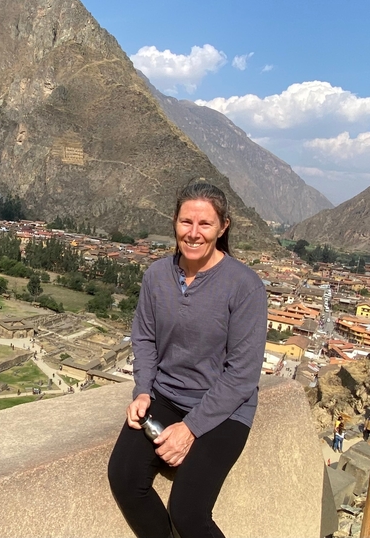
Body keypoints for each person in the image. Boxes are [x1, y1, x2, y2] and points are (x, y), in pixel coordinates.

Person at [107, 182, 267, 538]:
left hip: (224, 410)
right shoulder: (157, 276)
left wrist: (191, 428)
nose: (193, 234)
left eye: (205, 224)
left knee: (188, 510)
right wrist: (144, 391)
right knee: (125, 477)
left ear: (223, 227)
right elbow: (145, 338)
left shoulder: (244, 286)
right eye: (185, 222)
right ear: (174, 222)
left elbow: (241, 374)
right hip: (166, 394)